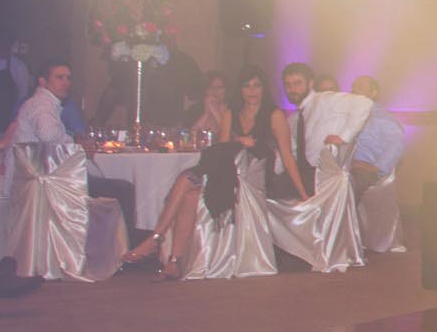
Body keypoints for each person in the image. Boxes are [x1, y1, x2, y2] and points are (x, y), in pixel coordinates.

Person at [122, 64, 308, 277]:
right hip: (226, 171)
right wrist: (239, 140)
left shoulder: (273, 115)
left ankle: (155, 238)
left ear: (264, 88)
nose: (252, 91)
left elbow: (287, 157)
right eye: (247, 86)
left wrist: (302, 194)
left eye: (257, 86)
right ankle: (173, 261)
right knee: (189, 194)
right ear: (240, 89)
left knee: (186, 179)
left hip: (254, 178)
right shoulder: (231, 112)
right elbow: (223, 147)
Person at [13, 58, 139, 240]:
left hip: (44, 174)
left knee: (114, 184)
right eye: (60, 78)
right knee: (124, 188)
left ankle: (109, 246)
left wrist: (74, 139)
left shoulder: (43, 102)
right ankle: (125, 249)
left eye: (68, 78)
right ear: (43, 81)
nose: (66, 83)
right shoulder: (42, 104)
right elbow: (48, 134)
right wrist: (75, 141)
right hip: (48, 179)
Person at [347, 75, 404, 194]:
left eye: (360, 87)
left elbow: (396, 144)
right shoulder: (347, 114)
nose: (354, 91)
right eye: (353, 87)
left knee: (351, 185)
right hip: (346, 168)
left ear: (373, 93)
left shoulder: (382, 118)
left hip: (364, 173)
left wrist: (376, 167)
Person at [269, 62, 316, 200]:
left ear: (310, 83)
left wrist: (344, 137)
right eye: (288, 85)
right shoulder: (293, 119)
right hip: (302, 176)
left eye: (298, 83)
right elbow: (290, 154)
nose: (293, 89)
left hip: (322, 176)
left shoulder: (322, 107)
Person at [184, 71, 229, 139]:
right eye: (211, 87)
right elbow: (191, 136)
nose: (215, 90)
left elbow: (227, 133)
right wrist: (206, 114)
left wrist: (214, 111)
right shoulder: (194, 110)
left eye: (219, 87)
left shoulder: (231, 109)